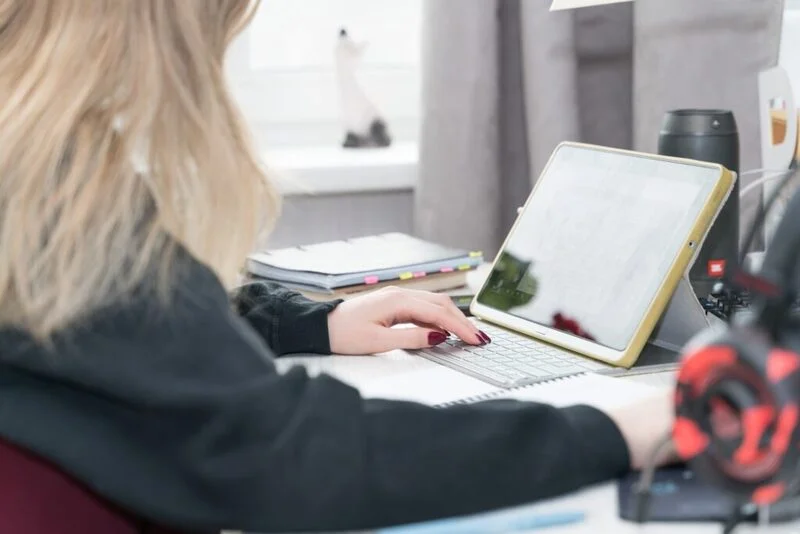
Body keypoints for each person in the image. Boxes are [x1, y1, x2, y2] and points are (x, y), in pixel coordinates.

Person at [0, 1, 674, 532]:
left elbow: (126, 320)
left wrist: (314, 323)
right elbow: (289, 453)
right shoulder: (56, 197)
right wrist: (613, 431)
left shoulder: (34, 176)